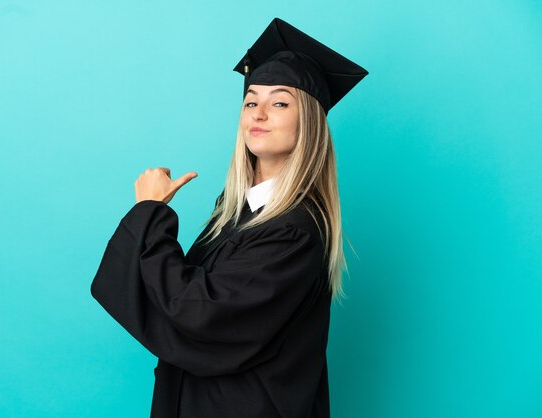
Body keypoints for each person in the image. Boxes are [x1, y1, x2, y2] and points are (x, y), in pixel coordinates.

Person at [91, 17, 368, 418]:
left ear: (307, 120)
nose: (259, 113)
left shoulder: (295, 231)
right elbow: (177, 303)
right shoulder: (237, 211)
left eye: (279, 102)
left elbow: (199, 313)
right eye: (251, 101)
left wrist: (150, 215)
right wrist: (150, 217)